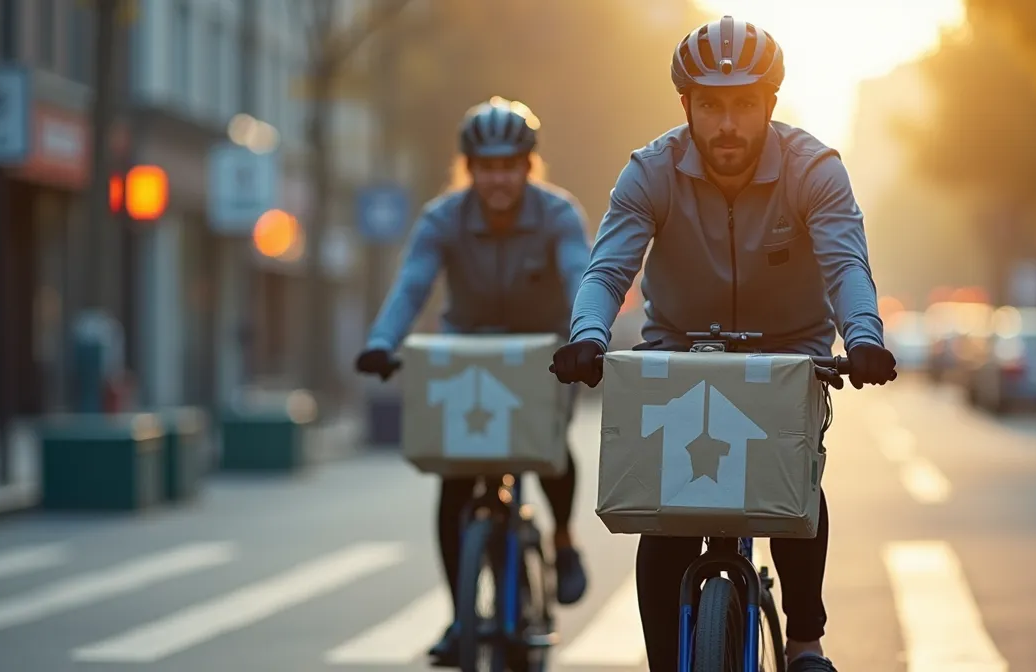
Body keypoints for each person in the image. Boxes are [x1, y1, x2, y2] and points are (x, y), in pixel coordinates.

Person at [548, 16, 898, 672]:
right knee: (665, 517)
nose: (728, 124)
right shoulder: (650, 172)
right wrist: (588, 336)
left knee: (794, 477)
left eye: (743, 104)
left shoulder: (814, 169)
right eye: (710, 105)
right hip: (680, 347)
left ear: (770, 102)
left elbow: (847, 265)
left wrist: (865, 337)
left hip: (790, 350)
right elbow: (607, 270)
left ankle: (805, 640)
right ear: (686, 106)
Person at [354, 96, 592, 666]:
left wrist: (587, 337)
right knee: (455, 479)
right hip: (469, 352)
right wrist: (381, 342)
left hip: (544, 352)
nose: (498, 178)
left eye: (510, 165)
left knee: (552, 451)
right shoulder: (443, 218)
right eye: (486, 167)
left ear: (528, 166)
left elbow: (580, 272)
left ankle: (562, 538)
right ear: (469, 168)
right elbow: (413, 283)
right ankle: (463, 612)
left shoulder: (559, 214)